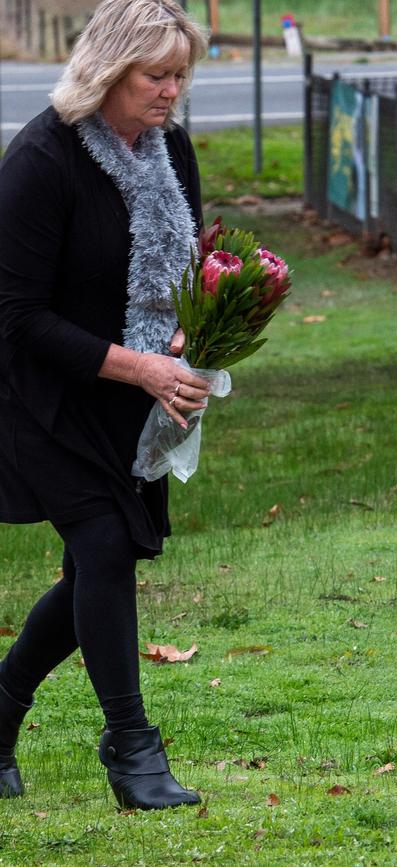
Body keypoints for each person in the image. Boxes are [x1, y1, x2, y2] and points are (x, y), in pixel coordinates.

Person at [0, 0, 212, 810]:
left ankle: (1, 707)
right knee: (105, 547)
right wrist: (143, 369)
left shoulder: (170, 150)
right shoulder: (41, 160)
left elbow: (186, 264)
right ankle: (132, 749)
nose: (171, 91)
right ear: (106, 69)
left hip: (132, 393)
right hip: (39, 394)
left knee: (98, 560)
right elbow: (17, 317)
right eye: (155, 75)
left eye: (180, 75)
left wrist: (196, 333)